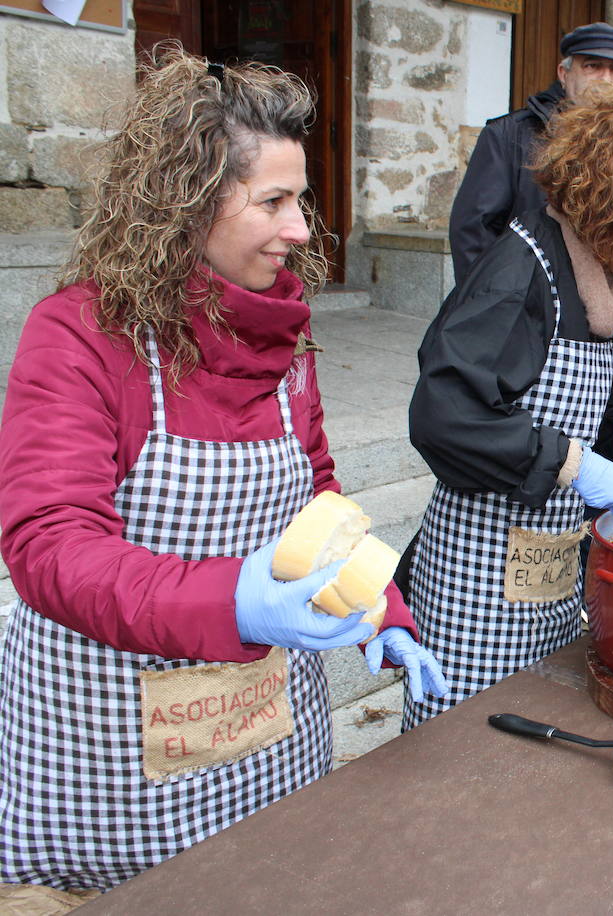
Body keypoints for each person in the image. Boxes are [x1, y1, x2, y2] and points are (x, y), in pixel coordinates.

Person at [0, 48, 447, 895]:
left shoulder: (284, 339)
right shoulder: (81, 336)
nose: (303, 231)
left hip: (266, 737)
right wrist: (232, 600)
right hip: (111, 749)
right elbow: (48, 546)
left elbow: (320, 495)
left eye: (301, 200)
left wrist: (380, 604)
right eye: (273, 202)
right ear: (186, 204)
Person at [406, 82, 613, 729]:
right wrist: (574, 464)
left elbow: (593, 415)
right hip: (478, 587)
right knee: (465, 748)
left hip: (547, 577)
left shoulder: (595, 283)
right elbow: (443, 414)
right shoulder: (521, 272)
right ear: (609, 193)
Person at [445, 21, 613, 469]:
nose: (606, 80)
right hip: (538, 326)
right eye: (593, 67)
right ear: (564, 71)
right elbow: (474, 232)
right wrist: (505, 312)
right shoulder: (512, 135)